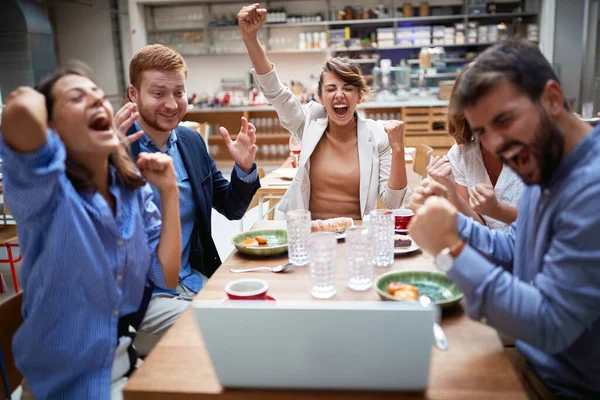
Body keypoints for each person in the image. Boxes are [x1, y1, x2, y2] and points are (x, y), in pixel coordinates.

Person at [407, 40, 600, 399]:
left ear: (553, 99)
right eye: (482, 132)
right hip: (535, 367)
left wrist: (450, 248)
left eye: (505, 120)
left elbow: (549, 325)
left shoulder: (591, 187)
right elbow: (515, 245)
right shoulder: (546, 162)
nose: (496, 146)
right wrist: (453, 221)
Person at [0, 64, 181, 398]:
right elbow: (21, 107)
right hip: (60, 390)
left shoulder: (132, 190)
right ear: (50, 129)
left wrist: (169, 193)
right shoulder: (46, 191)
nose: (98, 102)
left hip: (124, 372)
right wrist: (48, 96)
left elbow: (166, 276)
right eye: (78, 98)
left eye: (100, 96)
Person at [124, 44, 261, 354]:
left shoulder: (190, 140)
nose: (171, 104)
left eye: (179, 93)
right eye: (158, 93)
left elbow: (231, 207)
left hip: (193, 280)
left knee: (262, 312)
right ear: (133, 94)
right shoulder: (115, 152)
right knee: (230, 337)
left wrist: (244, 170)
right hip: (142, 302)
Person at [237, 4, 410, 220]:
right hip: (307, 233)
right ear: (320, 97)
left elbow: (394, 202)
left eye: (348, 88)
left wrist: (398, 149)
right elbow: (276, 92)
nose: (339, 95)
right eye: (331, 89)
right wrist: (250, 39)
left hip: (355, 236)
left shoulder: (378, 136)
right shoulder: (308, 121)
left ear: (360, 97)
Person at [427, 65, 524, 231]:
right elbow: (477, 228)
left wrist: (496, 210)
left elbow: (543, 224)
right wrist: (451, 191)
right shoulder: (460, 155)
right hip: (486, 251)